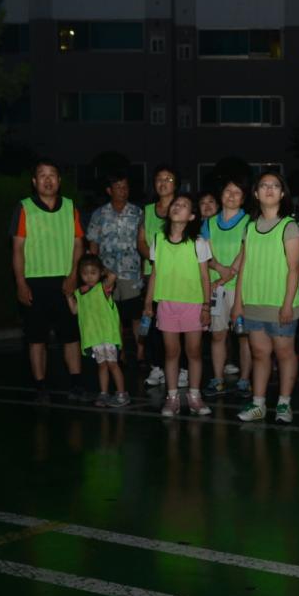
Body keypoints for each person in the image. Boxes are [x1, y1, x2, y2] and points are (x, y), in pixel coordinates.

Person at [11, 159, 87, 403]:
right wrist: (21, 284)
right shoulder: (24, 208)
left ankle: (76, 383)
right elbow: (17, 250)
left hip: (65, 283)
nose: (47, 179)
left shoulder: (70, 207)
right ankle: (40, 386)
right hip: (34, 283)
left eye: (52, 175)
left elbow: (78, 243)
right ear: (35, 182)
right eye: (42, 175)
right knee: (37, 338)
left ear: (59, 180)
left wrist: (74, 275)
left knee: (71, 336)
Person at [231, 171, 299, 423]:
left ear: (282, 194)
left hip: (280, 304)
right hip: (253, 303)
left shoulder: (289, 226)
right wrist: (237, 304)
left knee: (284, 353)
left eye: (275, 186)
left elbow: (294, 269)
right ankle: (258, 404)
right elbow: (244, 267)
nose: (269, 189)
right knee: (259, 354)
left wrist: (286, 305)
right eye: (264, 185)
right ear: (255, 193)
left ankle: (284, 404)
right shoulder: (249, 227)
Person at [143, 193, 213, 417]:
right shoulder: (158, 239)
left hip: (193, 304)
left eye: (183, 205)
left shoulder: (199, 242)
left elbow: (205, 277)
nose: (177, 207)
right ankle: (172, 397)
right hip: (167, 304)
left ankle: (194, 396)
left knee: (193, 352)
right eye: (175, 204)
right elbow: (154, 273)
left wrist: (205, 307)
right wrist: (148, 302)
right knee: (171, 352)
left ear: (191, 216)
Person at [85, 168, 146, 368]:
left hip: (132, 272)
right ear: (109, 190)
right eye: (118, 187)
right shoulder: (99, 214)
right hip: (107, 273)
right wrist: (92, 273)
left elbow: (143, 243)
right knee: (114, 316)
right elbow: (93, 243)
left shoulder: (137, 212)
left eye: (125, 187)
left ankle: (139, 353)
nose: (123, 190)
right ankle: (118, 353)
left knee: (136, 316)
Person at [201, 177, 252, 397]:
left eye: (237, 192)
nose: (231, 196)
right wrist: (219, 269)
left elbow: (245, 253)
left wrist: (226, 275)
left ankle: (244, 380)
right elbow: (204, 253)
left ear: (243, 198)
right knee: (218, 335)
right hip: (215, 289)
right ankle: (218, 378)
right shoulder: (209, 223)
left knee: (244, 336)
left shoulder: (249, 222)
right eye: (227, 191)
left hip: (240, 288)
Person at [137, 164, 180, 389]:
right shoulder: (147, 210)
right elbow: (141, 241)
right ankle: (157, 366)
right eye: (159, 179)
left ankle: (179, 368)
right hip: (152, 273)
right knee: (153, 321)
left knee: (177, 322)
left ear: (176, 184)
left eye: (169, 179)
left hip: (178, 275)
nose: (163, 183)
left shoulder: (181, 207)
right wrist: (155, 258)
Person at [70, 253, 128, 407]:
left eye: (93, 273)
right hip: (94, 337)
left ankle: (122, 393)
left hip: (108, 335)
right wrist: (68, 296)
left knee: (112, 364)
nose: (89, 277)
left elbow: (113, 275)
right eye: (85, 273)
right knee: (102, 366)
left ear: (100, 273)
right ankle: (104, 393)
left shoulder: (104, 288)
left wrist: (103, 269)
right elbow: (75, 310)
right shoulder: (79, 293)